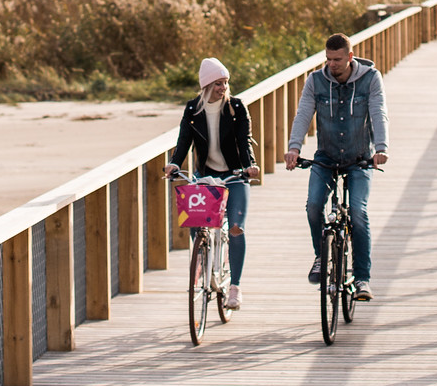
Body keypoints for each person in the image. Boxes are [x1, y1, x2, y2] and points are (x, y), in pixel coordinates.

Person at [283, 33, 388, 302]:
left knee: (357, 211)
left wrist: (381, 148)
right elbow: (303, 113)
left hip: (359, 159)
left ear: (350, 57)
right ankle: (321, 256)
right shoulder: (316, 81)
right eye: (328, 59)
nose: (332, 64)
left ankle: (362, 278)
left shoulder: (370, 79)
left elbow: (378, 112)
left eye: (338, 59)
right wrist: (294, 148)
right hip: (325, 158)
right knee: (314, 205)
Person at [166, 57, 261, 308]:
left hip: (235, 175)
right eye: (218, 83)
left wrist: (249, 165)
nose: (223, 88)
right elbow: (183, 141)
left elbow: (244, 140)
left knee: (236, 226)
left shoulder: (236, 108)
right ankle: (201, 257)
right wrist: (175, 164)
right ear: (207, 85)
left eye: (226, 82)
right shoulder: (192, 109)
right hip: (207, 175)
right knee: (196, 222)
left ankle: (235, 287)